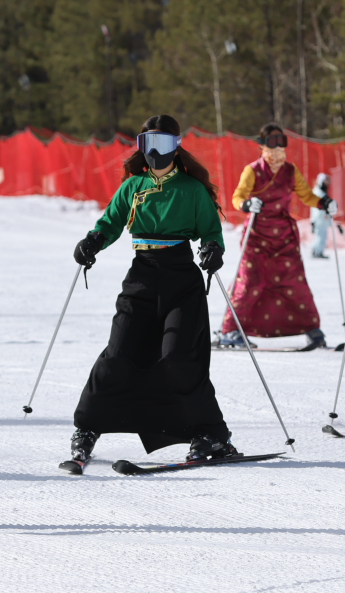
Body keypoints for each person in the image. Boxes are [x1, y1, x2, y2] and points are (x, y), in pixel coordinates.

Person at [67, 114, 238, 467]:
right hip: (142, 276)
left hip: (180, 277)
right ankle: (88, 427)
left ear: (176, 147)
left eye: (162, 144)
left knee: (178, 356)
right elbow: (111, 222)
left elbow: (210, 231)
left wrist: (213, 250)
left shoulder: (191, 190)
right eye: (147, 145)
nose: (154, 153)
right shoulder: (133, 187)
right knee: (118, 353)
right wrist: (93, 241)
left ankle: (211, 434)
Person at [219, 124, 334, 349]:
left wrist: (323, 203)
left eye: (281, 141)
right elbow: (238, 196)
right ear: (262, 145)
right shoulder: (253, 170)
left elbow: (306, 196)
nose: (278, 147)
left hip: (283, 237)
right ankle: (231, 330)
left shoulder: (290, 171)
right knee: (250, 281)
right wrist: (247, 204)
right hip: (257, 235)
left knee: (294, 281)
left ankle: (311, 327)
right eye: (272, 142)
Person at [307, 172, 337, 259]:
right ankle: (317, 251)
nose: (327, 184)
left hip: (322, 219)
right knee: (320, 235)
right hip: (319, 218)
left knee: (322, 235)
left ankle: (318, 251)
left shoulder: (321, 192)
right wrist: (314, 220)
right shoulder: (318, 192)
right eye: (325, 182)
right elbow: (316, 207)